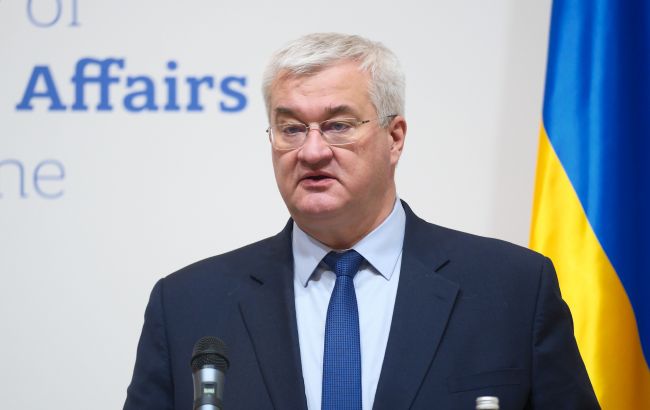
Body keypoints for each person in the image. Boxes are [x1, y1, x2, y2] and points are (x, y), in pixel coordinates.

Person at [124, 33, 599, 410]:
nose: (312, 151)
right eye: (291, 128)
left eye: (338, 125)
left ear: (395, 137)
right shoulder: (188, 304)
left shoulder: (513, 290)